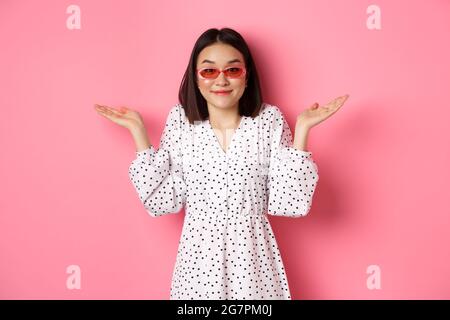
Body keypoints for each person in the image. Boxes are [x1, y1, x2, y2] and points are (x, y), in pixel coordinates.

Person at [94, 27, 349, 300]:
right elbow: (162, 202)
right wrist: (138, 133)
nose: (222, 80)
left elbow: (290, 203)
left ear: (247, 76)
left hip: (253, 266)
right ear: (196, 78)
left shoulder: (268, 121)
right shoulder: (181, 123)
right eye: (209, 71)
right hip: (198, 268)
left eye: (233, 70)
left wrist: (303, 130)